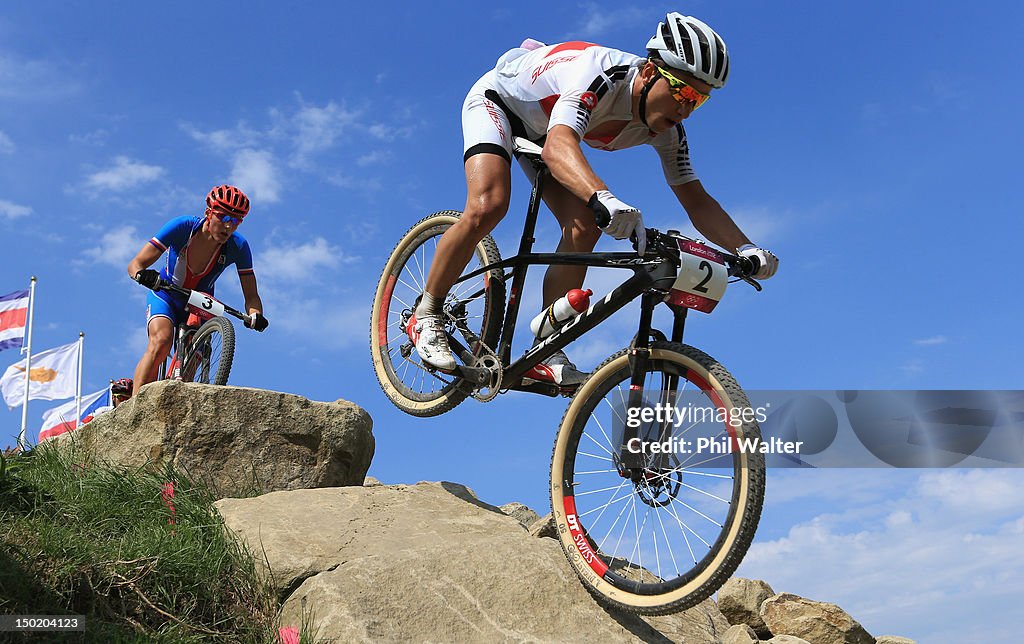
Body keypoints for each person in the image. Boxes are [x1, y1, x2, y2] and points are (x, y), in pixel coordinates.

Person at [407, 12, 779, 385]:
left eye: (698, 100)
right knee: (489, 204)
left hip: (547, 130)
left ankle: (546, 349)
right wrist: (603, 196)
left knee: (584, 227)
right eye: (682, 91)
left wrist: (745, 248)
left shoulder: (669, 131)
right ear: (649, 73)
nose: (685, 108)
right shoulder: (603, 76)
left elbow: (696, 199)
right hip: (500, 104)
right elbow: (559, 146)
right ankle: (426, 314)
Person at [127, 185, 268, 396]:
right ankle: (134, 410)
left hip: (198, 302)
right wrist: (142, 274)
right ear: (208, 213)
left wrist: (255, 314)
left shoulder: (238, 246)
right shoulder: (183, 227)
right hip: (166, 292)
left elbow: (251, 295)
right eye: (223, 218)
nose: (228, 227)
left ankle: (179, 392)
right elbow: (136, 264)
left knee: (195, 356)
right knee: (161, 342)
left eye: (236, 221)